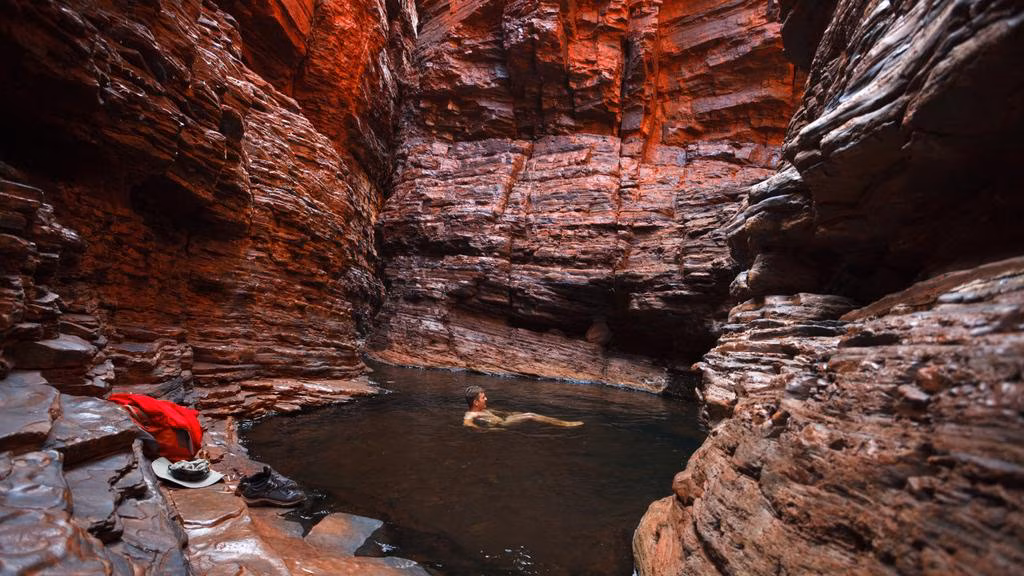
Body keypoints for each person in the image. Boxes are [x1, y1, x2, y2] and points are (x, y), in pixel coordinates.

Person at [463, 386, 583, 428]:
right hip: (503, 423)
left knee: (517, 412)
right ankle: (565, 424)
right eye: (483, 397)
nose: (486, 399)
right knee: (531, 415)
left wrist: (511, 414)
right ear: (476, 402)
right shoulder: (471, 414)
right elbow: (467, 423)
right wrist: (488, 430)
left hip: (501, 418)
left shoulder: (481, 409)